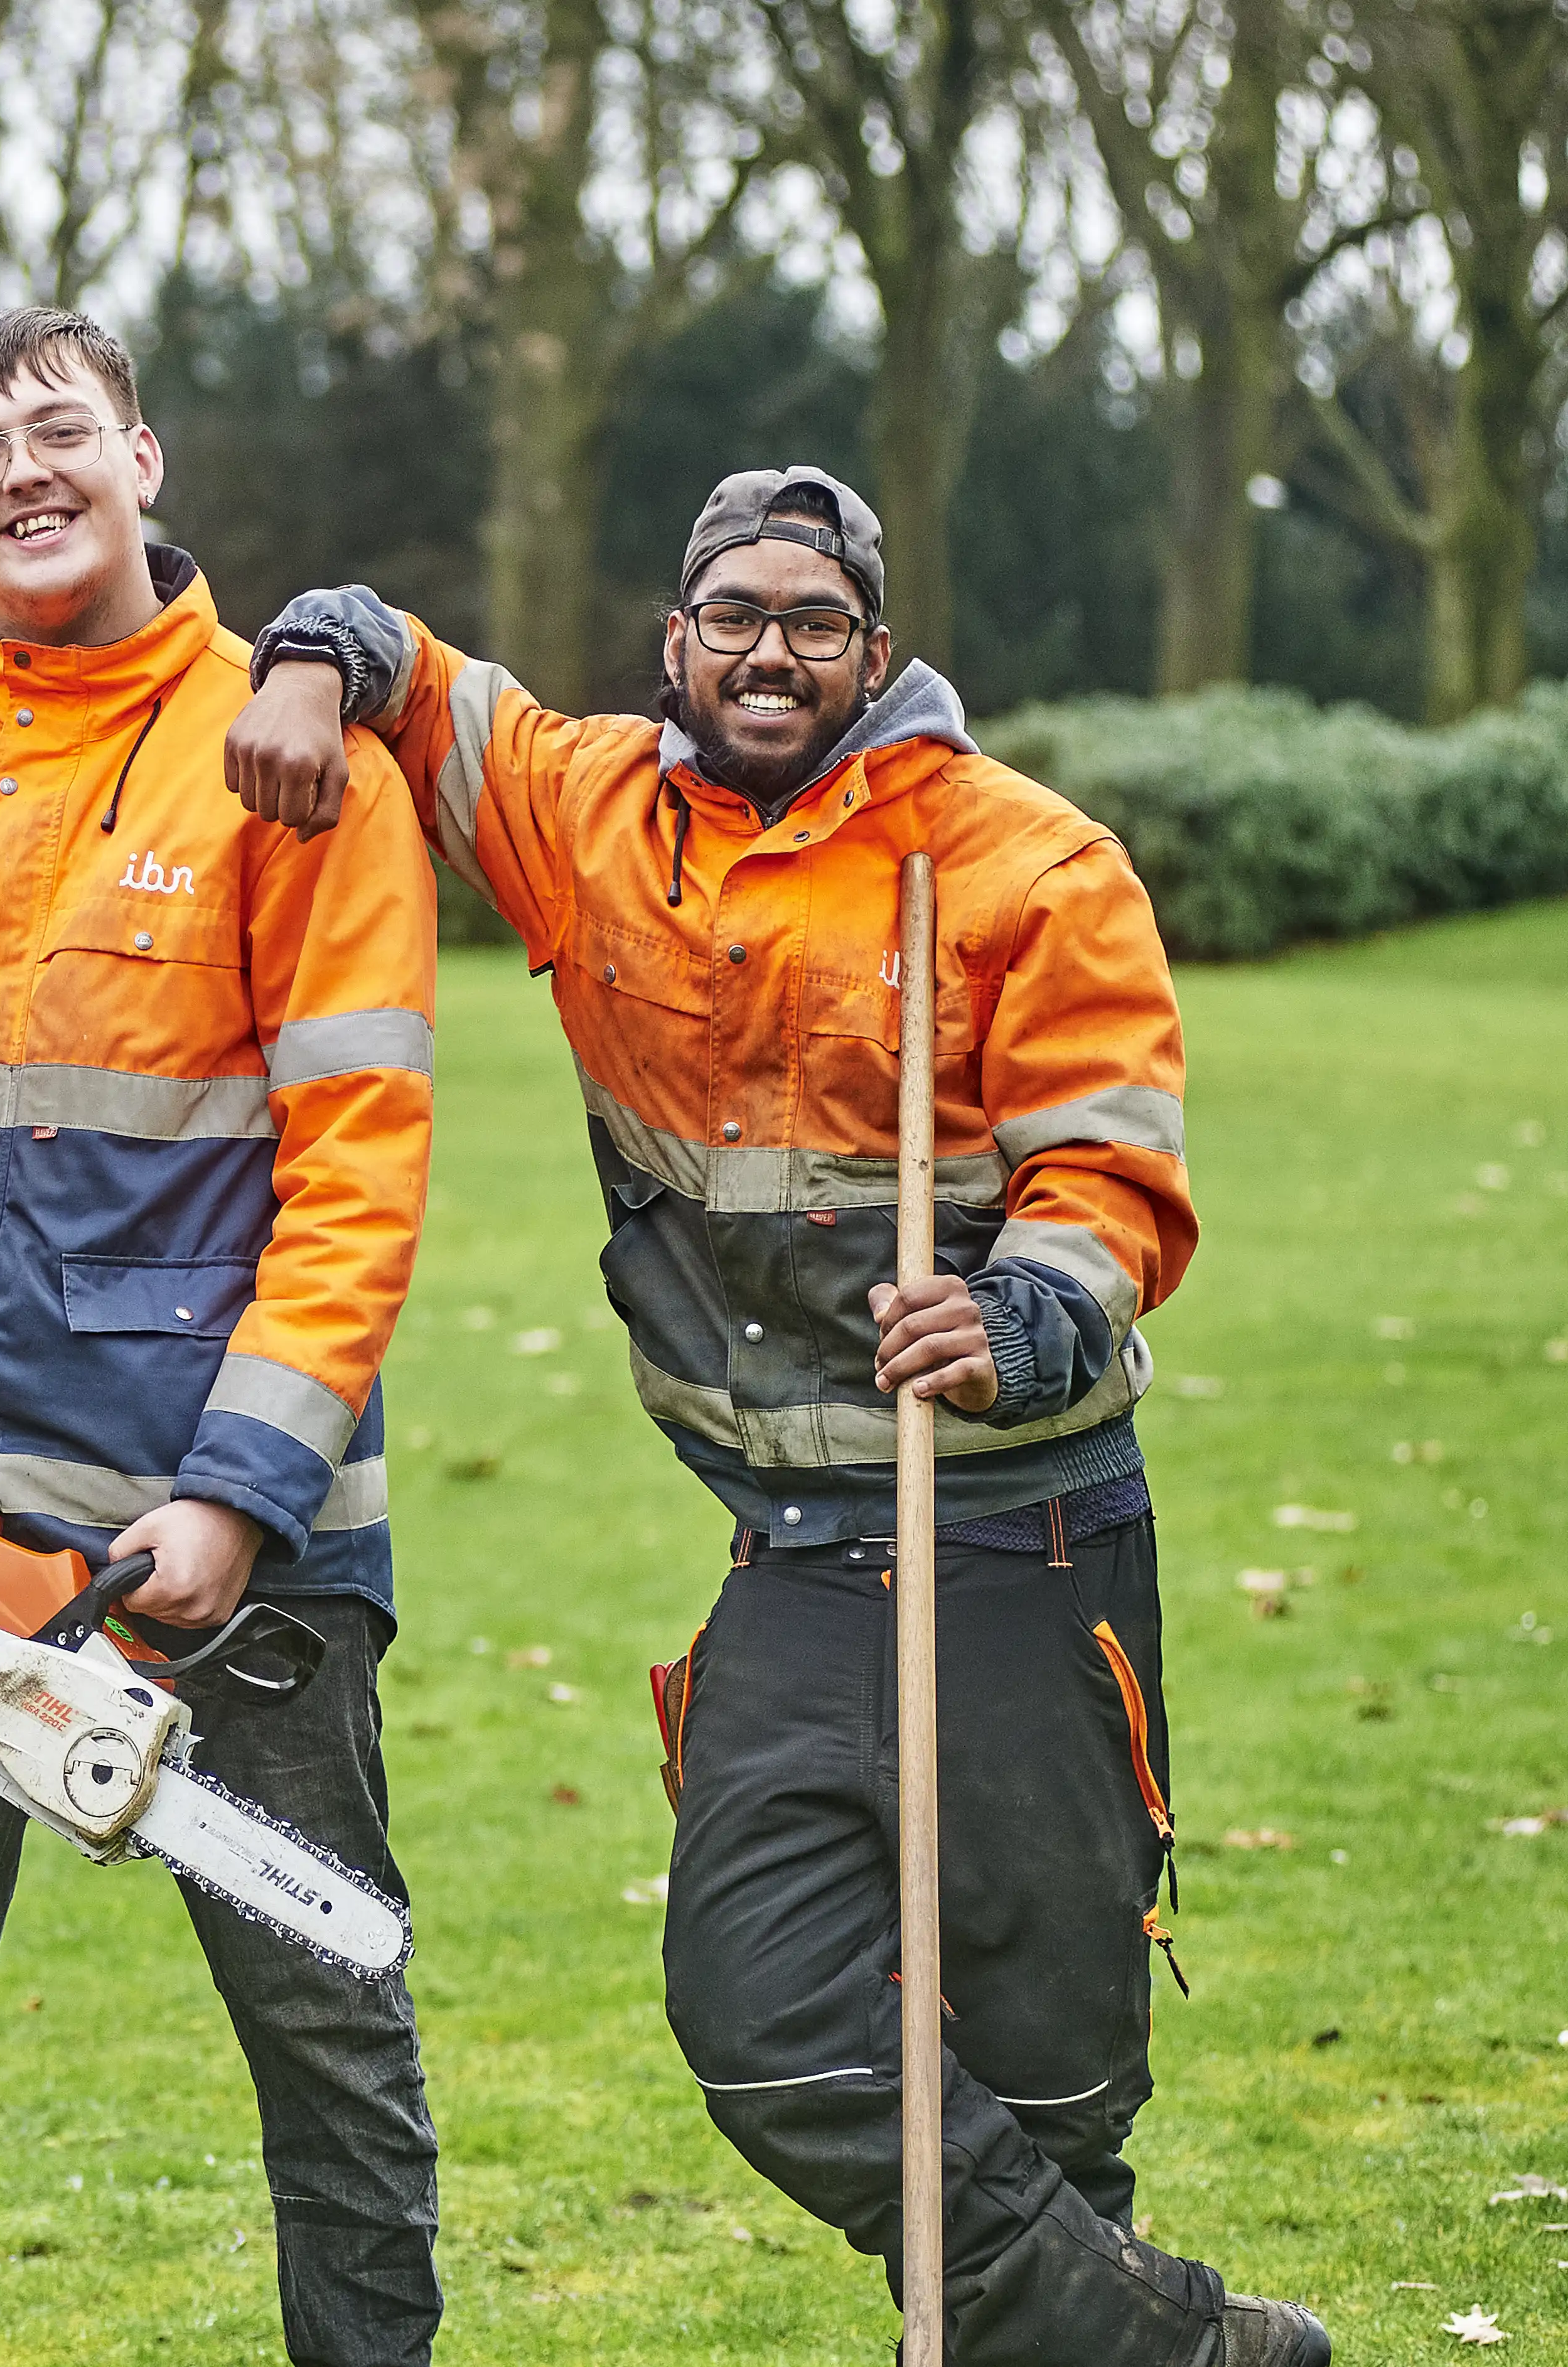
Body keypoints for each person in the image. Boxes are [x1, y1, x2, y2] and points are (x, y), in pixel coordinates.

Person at [218, 468, 1326, 2366]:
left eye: (814, 622)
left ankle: (1074, 2325)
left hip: (1017, 1530)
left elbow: (1112, 1174)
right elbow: (403, 661)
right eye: (733, 614)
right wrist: (307, 669)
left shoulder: (1026, 864)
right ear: (675, 639)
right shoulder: (584, 810)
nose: (769, 652)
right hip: (796, 1549)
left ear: (873, 654)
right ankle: (1185, 2349)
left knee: (1050, 2076)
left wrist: (1020, 1316)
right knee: (765, 2024)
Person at [0, 307, 446, 2367]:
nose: (21, 470)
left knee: (326, 2031)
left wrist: (238, 1498)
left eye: (59, 428)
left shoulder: (288, 758)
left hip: (226, 1557)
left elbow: (358, 1158)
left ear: (142, 458)